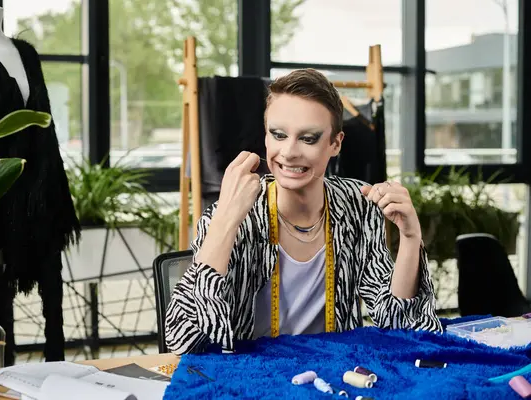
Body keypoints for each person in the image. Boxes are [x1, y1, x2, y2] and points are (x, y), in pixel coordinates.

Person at [165, 69, 441, 355]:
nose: (288, 152)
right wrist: (225, 220)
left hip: (336, 376)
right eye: (278, 135)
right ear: (266, 137)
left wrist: (410, 237)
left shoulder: (356, 206)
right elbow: (182, 341)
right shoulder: (232, 213)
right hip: (255, 380)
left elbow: (400, 324)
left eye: (308, 138)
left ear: (335, 144)